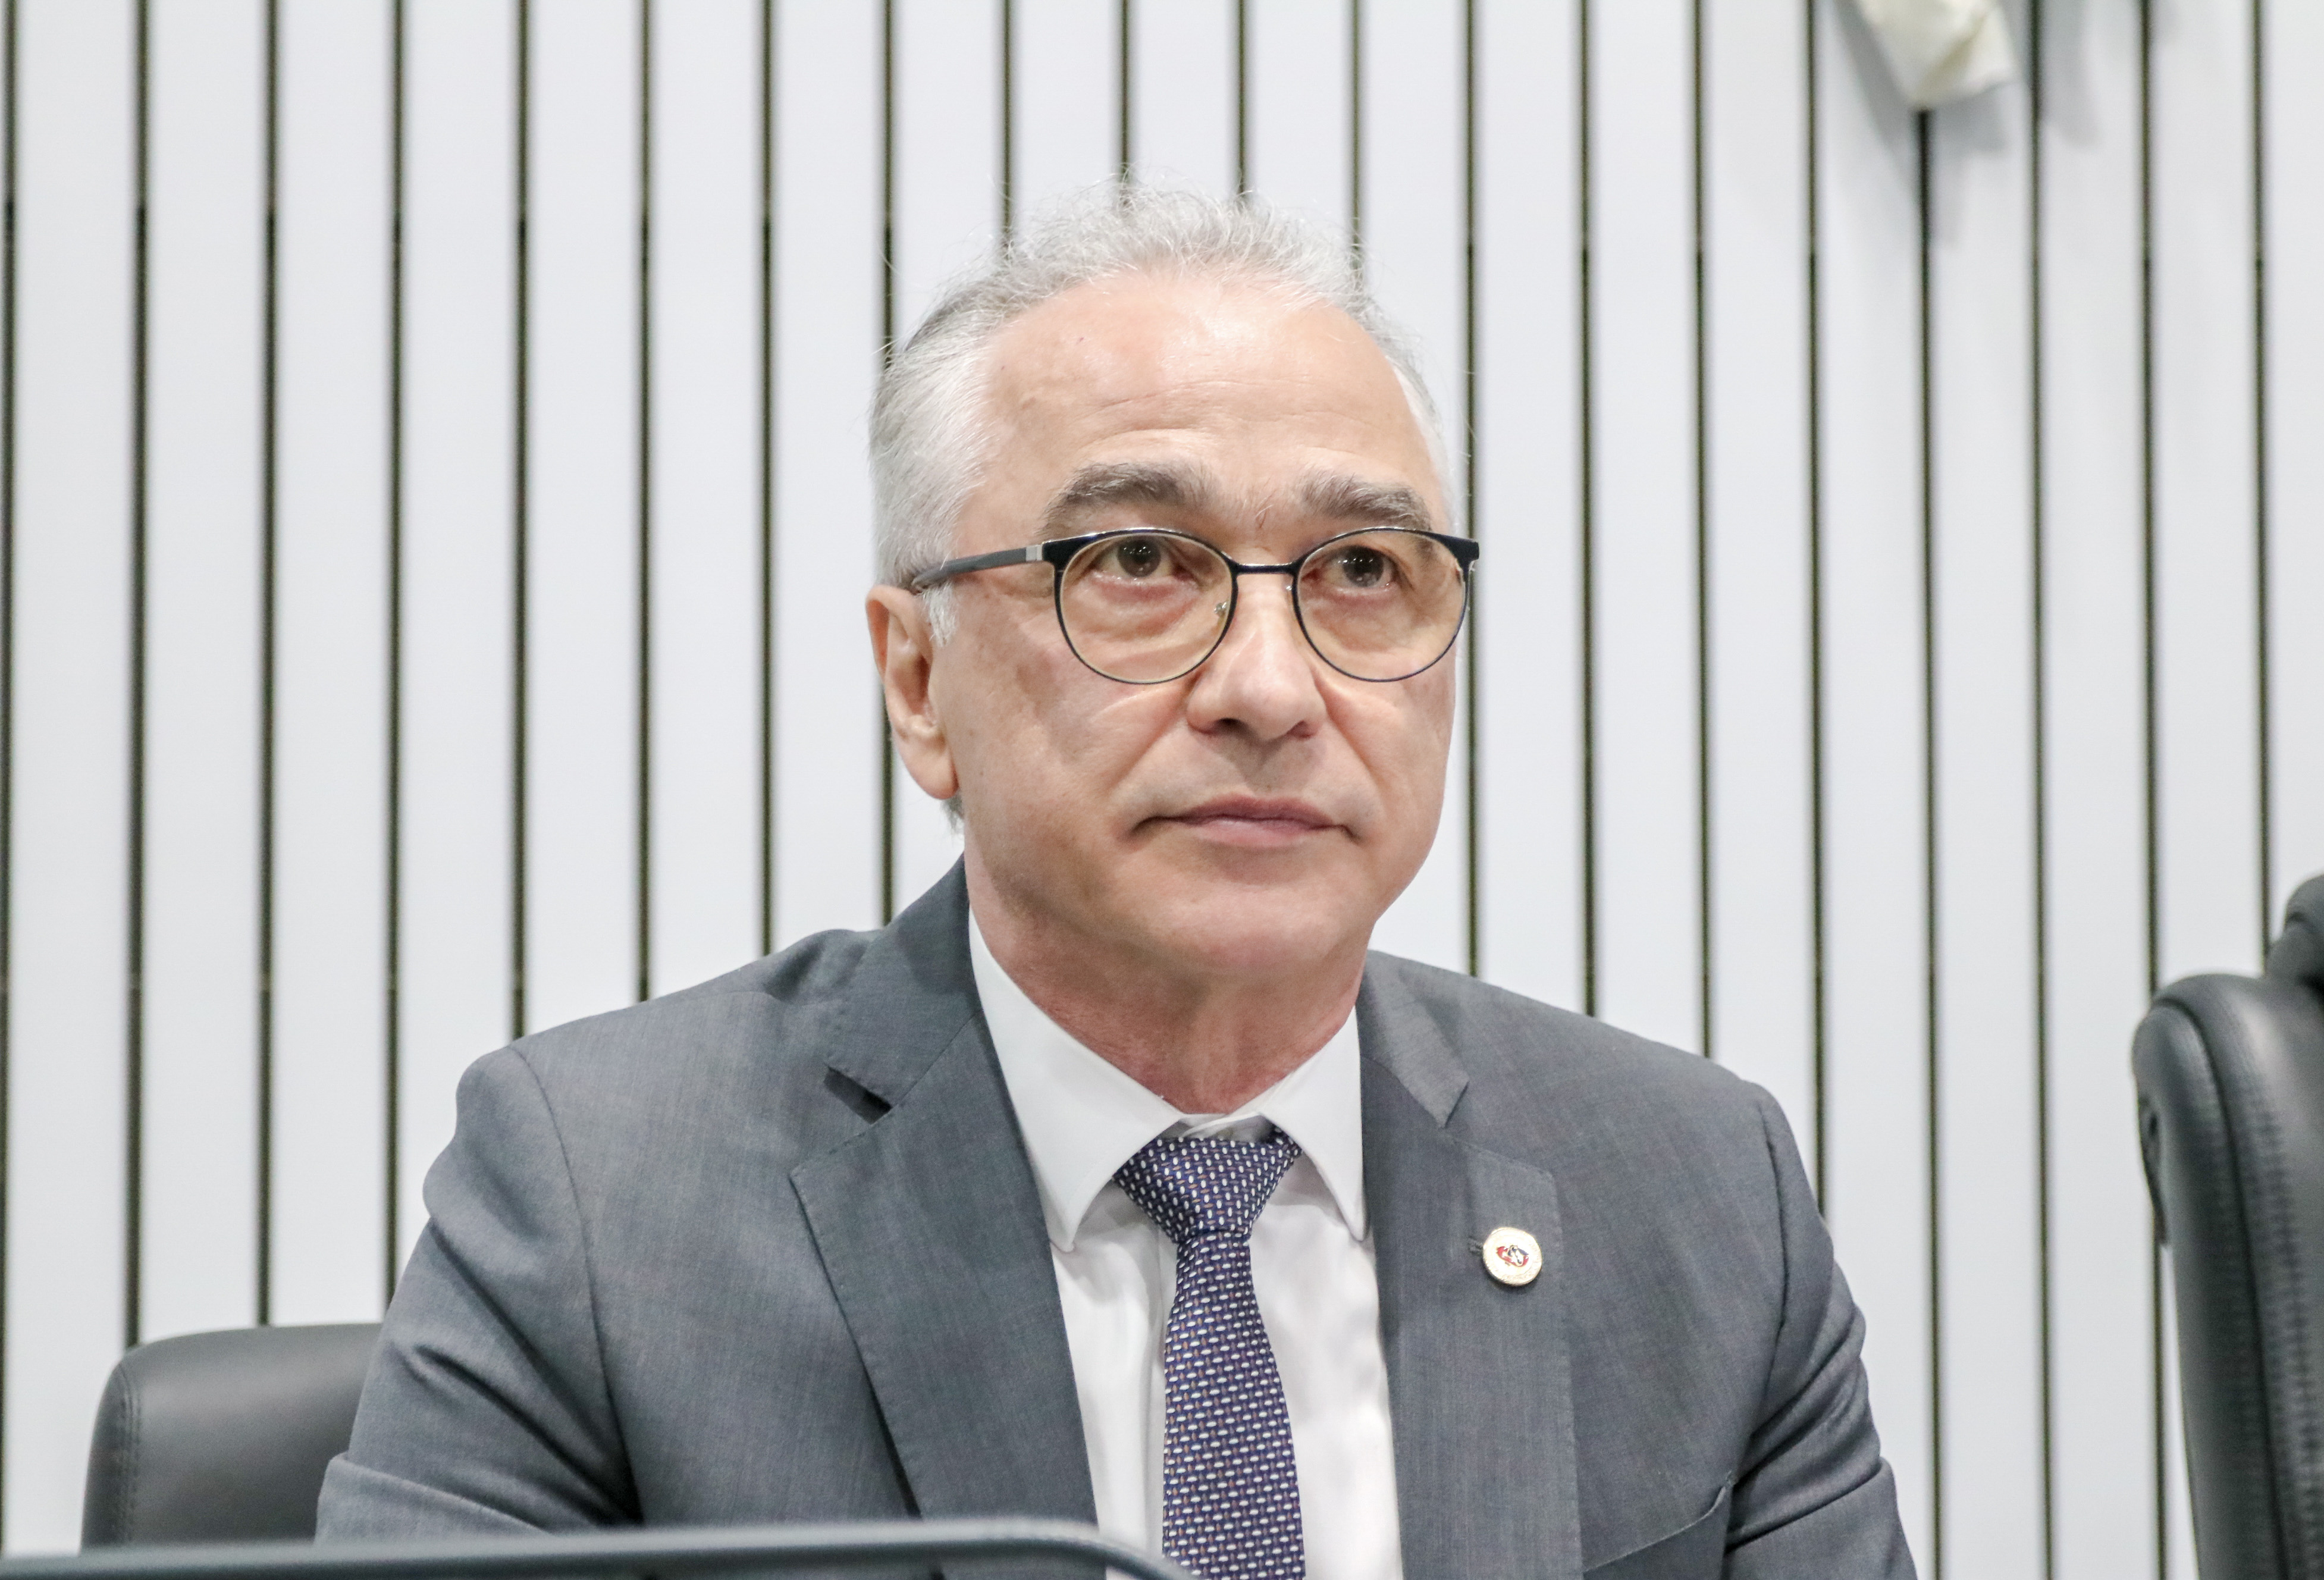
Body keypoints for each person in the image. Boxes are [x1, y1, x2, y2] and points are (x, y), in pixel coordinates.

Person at [318, 187, 1913, 1580]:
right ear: (918, 681)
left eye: (1364, 571)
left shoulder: (1694, 1198)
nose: (1271, 690)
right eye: (1139, 563)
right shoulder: (605, 1210)